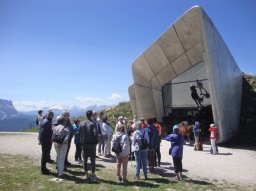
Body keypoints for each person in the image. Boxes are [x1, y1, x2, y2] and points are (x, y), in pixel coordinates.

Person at [79, 110, 100, 181]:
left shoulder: (81, 123)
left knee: (85, 160)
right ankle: (93, 174)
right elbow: (95, 134)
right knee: (92, 160)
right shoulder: (92, 123)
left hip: (84, 144)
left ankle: (86, 174)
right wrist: (97, 140)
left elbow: (79, 134)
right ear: (91, 115)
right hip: (92, 144)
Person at [38, 110, 54, 174]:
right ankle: (43, 169)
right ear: (49, 115)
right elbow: (42, 132)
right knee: (44, 154)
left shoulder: (45, 121)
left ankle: (44, 168)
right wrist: (41, 140)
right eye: (52, 116)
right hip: (46, 141)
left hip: (46, 140)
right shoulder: (46, 122)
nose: (52, 117)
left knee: (45, 154)